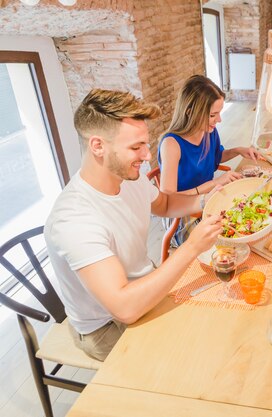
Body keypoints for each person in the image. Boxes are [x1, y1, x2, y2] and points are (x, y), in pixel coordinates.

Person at [44, 89, 223, 361]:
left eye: (145, 145)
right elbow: (124, 308)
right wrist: (193, 246)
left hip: (144, 286)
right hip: (105, 325)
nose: (147, 156)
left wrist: (210, 198)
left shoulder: (129, 178)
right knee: (184, 357)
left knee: (212, 323)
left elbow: (163, 204)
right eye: (135, 147)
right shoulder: (74, 219)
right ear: (98, 146)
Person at [158, 75, 260, 245]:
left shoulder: (208, 131)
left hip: (207, 200)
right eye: (213, 115)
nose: (219, 120)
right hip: (181, 217)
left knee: (247, 219)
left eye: (219, 113)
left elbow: (215, 157)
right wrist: (212, 184)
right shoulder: (171, 144)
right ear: (190, 112)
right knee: (228, 244)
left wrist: (238, 151)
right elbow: (167, 201)